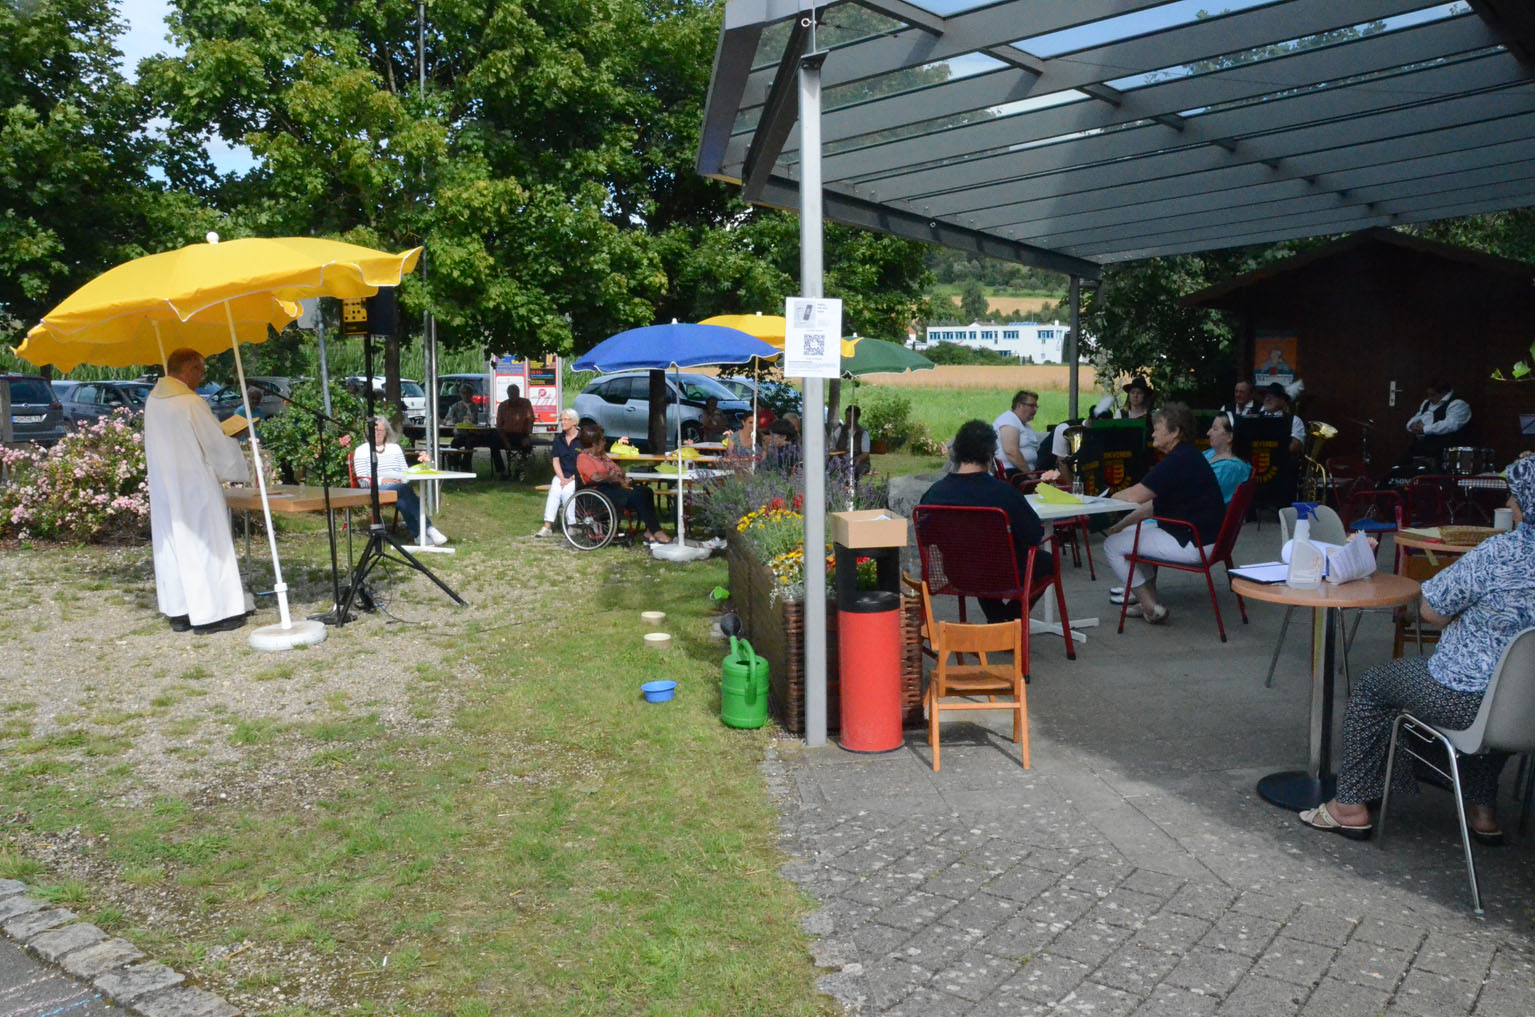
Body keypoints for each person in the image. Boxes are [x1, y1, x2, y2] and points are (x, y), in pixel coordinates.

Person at [1300, 455, 1535, 843]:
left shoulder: (1497, 553)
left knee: (1374, 685)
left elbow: (1431, 611)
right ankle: (1483, 810)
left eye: (1515, 498)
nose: (1510, 505)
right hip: (1526, 709)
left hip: (1464, 698)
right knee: (1506, 695)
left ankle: (1350, 806)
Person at [144, 349, 253, 634]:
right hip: (195, 484)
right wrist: (233, 440)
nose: (200, 379)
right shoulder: (190, 402)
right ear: (190, 369)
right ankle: (215, 612)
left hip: (165, 485)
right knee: (207, 544)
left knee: (174, 545)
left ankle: (180, 610)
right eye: (201, 372)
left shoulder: (153, 400)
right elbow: (214, 445)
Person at [1101, 403, 1226, 625]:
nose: (1153, 433)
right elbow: (1152, 506)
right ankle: (1150, 601)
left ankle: (1150, 607)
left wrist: (1101, 501)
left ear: (1175, 432)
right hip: (1208, 539)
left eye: (1158, 428)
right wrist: (1119, 526)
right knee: (1128, 533)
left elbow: (1136, 496)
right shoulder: (1188, 456)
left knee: (1113, 545)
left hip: (1194, 541)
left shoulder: (1176, 461)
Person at [919, 419, 1053, 623]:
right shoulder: (1003, 492)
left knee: (980, 558)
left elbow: (926, 537)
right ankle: (1008, 620)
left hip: (957, 573)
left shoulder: (934, 494)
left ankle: (1000, 621)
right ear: (991, 454)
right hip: (1005, 573)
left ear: (957, 452)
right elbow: (1033, 535)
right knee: (1046, 562)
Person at [353, 417, 448, 545]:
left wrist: (401, 479)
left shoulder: (395, 448)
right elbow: (363, 480)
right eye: (374, 430)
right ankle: (428, 528)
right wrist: (382, 480)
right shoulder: (361, 451)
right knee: (403, 491)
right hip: (375, 488)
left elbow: (405, 471)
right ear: (368, 432)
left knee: (402, 496)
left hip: (399, 486)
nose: (377, 433)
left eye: (380, 430)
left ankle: (419, 536)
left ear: (386, 432)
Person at [576, 423, 672, 543]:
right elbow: (595, 477)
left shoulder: (602, 456)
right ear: (594, 443)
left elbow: (619, 469)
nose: (605, 442)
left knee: (646, 491)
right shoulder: (583, 458)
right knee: (639, 495)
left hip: (613, 488)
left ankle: (650, 530)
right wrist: (611, 477)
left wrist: (620, 476)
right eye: (602, 440)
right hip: (600, 493)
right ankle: (656, 531)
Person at [1401, 378, 1472, 466]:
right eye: (1428, 395)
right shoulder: (1427, 402)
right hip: (1422, 443)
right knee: (1403, 465)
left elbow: (1450, 425)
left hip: (1445, 446)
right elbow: (1418, 416)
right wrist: (1411, 425)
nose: (1429, 398)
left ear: (1444, 393)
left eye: (1433, 395)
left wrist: (1424, 429)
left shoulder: (1458, 404)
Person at [535, 408, 582, 537]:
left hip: (577, 475)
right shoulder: (559, 439)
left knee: (568, 492)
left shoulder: (582, 439)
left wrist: (571, 478)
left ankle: (571, 525)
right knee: (554, 491)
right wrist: (562, 478)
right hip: (562, 474)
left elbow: (584, 463)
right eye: (561, 420)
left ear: (574, 422)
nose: (562, 422)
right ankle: (547, 526)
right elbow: (556, 461)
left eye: (565, 420)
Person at [445, 383, 506, 477]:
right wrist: (451, 420)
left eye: (468, 393)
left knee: (471, 442)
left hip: (475, 435)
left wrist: (477, 423)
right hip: (461, 434)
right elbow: (447, 419)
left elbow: (483, 422)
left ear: (472, 394)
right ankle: (455, 466)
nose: (466, 395)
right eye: (463, 393)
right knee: (454, 444)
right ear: (460, 394)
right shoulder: (455, 406)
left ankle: (466, 467)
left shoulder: (477, 407)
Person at [1203, 412, 1252, 503]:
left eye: (1215, 429)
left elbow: (1203, 495)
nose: (1208, 433)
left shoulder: (1231, 468)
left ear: (1230, 437)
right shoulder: (1211, 453)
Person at [992, 390, 1042, 476]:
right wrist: (1029, 473)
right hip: (1012, 473)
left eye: (1036, 406)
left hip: (1023, 472)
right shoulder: (1009, 420)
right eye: (1032, 406)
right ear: (1019, 405)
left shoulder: (1022, 423)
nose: (1035, 409)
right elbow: (1011, 451)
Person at [495, 384, 535, 480]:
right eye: (511, 394)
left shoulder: (526, 403)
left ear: (518, 393)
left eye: (515, 393)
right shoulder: (502, 406)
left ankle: (520, 469)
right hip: (506, 435)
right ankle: (502, 471)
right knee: (493, 444)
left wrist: (527, 436)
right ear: (508, 394)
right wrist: (506, 442)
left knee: (527, 446)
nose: (513, 396)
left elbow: (530, 420)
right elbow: (499, 426)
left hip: (521, 434)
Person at [1259, 381, 1305, 457]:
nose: (1267, 399)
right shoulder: (1255, 418)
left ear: (1283, 401)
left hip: (1284, 464)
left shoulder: (1294, 421)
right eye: (1266, 396)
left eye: (1272, 396)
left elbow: (1293, 448)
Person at [830, 405, 871, 477]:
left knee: (851, 468)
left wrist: (852, 460)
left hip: (859, 462)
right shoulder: (840, 430)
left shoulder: (863, 433)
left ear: (857, 418)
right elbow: (832, 445)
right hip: (842, 460)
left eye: (850, 416)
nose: (847, 419)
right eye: (846, 416)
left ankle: (851, 485)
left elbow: (865, 454)